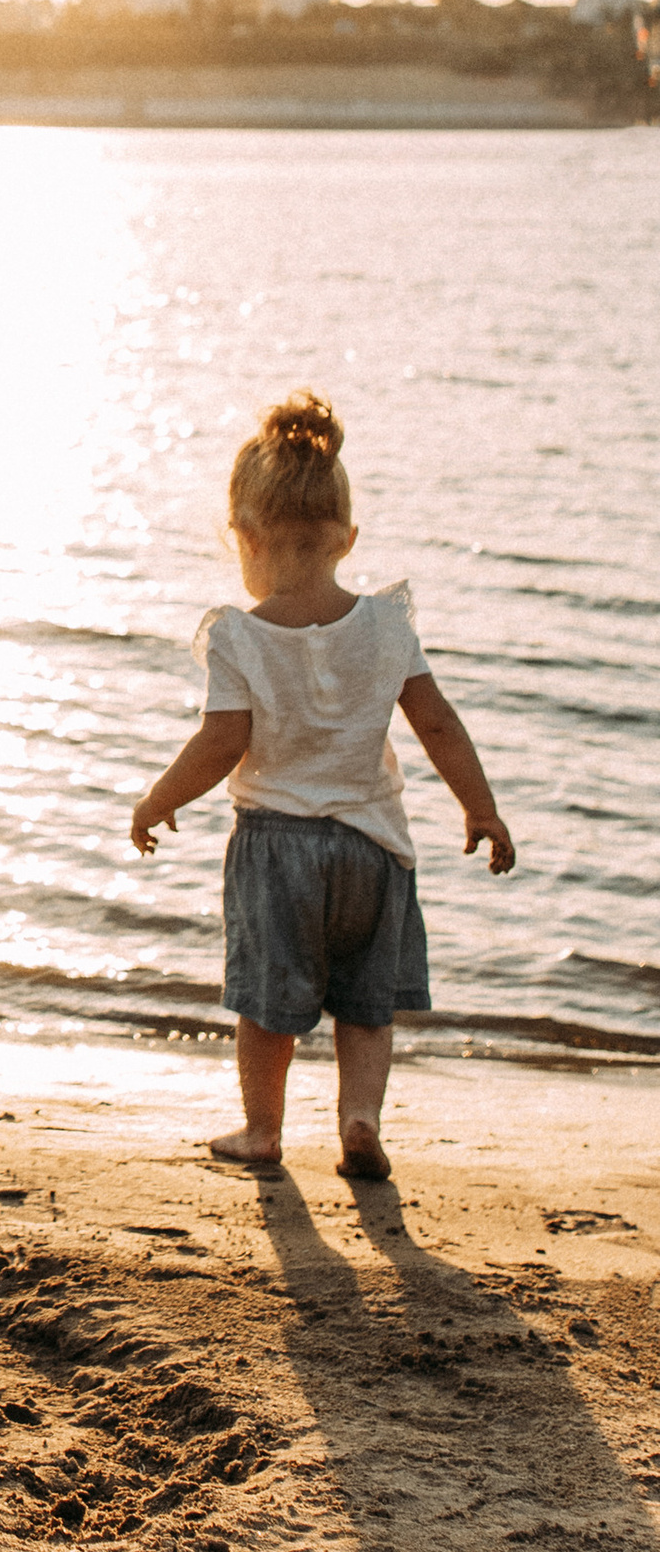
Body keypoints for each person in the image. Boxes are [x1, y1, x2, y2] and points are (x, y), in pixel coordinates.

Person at [130, 390, 514, 1183]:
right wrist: (481, 809)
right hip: (374, 850)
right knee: (368, 1004)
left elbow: (221, 741)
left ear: (243, 535)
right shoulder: (387, 625)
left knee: (268, 1005)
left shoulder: (239, 636)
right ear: (347, 536)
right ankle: (359, 1120)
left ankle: (262, 1130)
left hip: (277, 847)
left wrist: (159, 798)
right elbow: (438, 723)